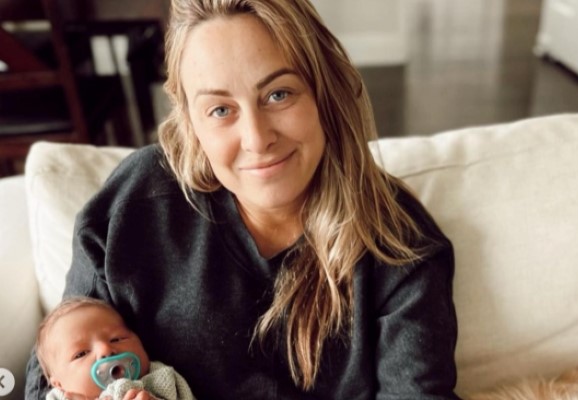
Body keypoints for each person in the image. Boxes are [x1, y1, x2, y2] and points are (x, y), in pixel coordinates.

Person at [26, 0, 459, 398]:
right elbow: (52, 374)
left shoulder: (398, 243)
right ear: (190, 121)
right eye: (220, 109)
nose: (256, 138)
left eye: (278, 94)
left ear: (324, 91)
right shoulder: (135, 204)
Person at [36, 297, 195, 400]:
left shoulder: (162, 380)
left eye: (117, 339)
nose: (105, 349)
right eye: (81, 353)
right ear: (59, 384)